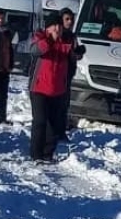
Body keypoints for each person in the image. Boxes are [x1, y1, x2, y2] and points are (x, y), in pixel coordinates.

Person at [28, 13, 82, 162]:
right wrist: (51, 39)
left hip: (58, 88)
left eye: (59, 25)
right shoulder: (40, 36)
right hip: (38, 87)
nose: (57, 28)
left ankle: (47, 153)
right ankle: (36, 154)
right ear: (48, 27)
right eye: (54, 26)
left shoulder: (67, 40)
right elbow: (35, 50)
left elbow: (72, 54)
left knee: (53, 123)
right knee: (40, 121)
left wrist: (78, 53)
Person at [59, 7, 79, 136]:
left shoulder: (72, 36)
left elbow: (74, 54)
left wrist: (78, 53)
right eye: (67, 19)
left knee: (65, 103)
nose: (69, 22)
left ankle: (61, 129)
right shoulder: (57, 35)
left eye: (71, 19)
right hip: (57, 74)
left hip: (68, 73)